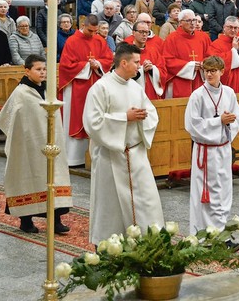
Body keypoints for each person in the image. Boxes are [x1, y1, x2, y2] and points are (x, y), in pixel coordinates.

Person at [83, 43, 164, 244]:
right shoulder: (100, 88)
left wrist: (143, 117)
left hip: (136, 155)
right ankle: (109, 245)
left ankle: (148, 242)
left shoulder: (135, 87)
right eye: (136, 62)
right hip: (111, 156)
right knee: (111, 207)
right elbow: (92, 123)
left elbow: (151, 113)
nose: (139, 66)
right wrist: (124, 118)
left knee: (147, 201)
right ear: (124, 62)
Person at [0, 55, 73, 234]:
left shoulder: (49, 91)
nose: (42, 73)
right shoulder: (21, 93)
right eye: (38, 69)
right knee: (28, 178)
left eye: (44, 69)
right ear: (27, 70)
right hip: (28, 146)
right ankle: (26, 221)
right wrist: (21, 138)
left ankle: (56, 220)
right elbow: (6, 119)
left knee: (54, 177)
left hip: (51, 144)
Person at [184, 55, 239, 250]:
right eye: (206, 71)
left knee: (224, 191)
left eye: (213, 71)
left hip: (223, 149)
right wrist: (219, 122)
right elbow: (192, 125)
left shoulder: (229, 93)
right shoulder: (198, 95)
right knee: (209, 194)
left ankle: (221, 233)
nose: (209, 74)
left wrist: (229, 125)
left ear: (221, 72)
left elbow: (238, 117)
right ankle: (206, 236)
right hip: (205, 152)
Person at [58, 14, 114, 167]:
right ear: (83, 25)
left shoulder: (99, 40)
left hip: (95, 83)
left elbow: (109, 59)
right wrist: (87, 65)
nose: (93, 34)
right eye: (90, 30)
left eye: (96, 31)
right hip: (77, 86)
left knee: (95, 115)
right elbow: (65, 66)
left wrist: (98, 63)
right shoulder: (72, 41)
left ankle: (92, 157)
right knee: (76, 117)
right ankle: (74, 158)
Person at [162, 9, 211, 98]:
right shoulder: (172, 38)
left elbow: (210, 55)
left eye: (194, 20)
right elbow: (167, 60)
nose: (192, 23)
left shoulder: (203, 37)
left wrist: (204, 63)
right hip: (180, 81)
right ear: (180, 23)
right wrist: (190, 66)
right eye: (188, 20)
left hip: (200, 78)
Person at [209, 14, 239, 93]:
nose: (233, 30)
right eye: (230, 27)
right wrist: (234, 50)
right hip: (229, 83)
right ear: (224, 28)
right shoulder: (216, 44)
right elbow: (216, 63)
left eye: (235, 28)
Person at [130, 20, 167, 99]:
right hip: (134, 95)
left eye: (146, 32)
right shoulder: (127, 51)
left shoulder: (154, 51)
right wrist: (141, 70)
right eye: (141, 32)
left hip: (152, 93)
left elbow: (164, 72)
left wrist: (152, 69)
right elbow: (123, 73)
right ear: (133, 33)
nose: (144, 35)